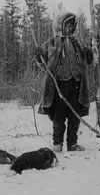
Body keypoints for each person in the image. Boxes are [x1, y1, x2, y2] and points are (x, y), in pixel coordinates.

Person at [35, 11, 93, 153]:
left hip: (76, 85)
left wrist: (92, 48)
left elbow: (88, 60)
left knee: (75, 115)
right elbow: (43, 64)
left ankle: (72, 144)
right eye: (66, 25)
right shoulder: (52, 42)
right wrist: (38, 56)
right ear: (60, 25)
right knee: (58, 116)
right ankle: (57, 144)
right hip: (58, 85)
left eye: (71, 25)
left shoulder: (78, 42)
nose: (69, 28)